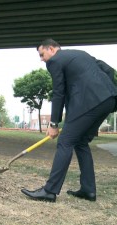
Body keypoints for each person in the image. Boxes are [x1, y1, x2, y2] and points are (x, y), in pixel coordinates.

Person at [21, 39, 117, 202]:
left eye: (42, 54)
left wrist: (53, 124)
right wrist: (107, 90)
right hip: (109, 99)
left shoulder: (55, 61)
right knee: (80, 142)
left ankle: (49, 191)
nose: (42, 59)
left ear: (51, 49)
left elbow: (59, 92)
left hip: (90, 101)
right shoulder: (80, 54)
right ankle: (88, 190)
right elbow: (107, 68)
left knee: (65, 141)